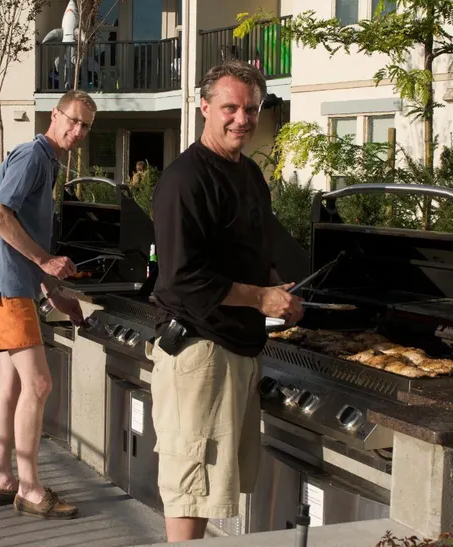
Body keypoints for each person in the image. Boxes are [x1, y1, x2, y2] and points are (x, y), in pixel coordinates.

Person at [149, 60, 304, 542]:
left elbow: (254, 253)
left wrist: (279, 290)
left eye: (251, 109)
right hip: (199, 351)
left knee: (212, 486)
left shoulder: (250, 174)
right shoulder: (185, 180)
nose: (242, 119)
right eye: (230, 108)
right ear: (204, 107)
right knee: (190, 487)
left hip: (237, 352)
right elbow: (184, 277)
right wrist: (260, 299)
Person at [0, 90, 97, 519]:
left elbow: (22, 232)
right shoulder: (32, 156)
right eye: (73, 120)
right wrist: (46, 261)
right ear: (55, 115)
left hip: (14, 285)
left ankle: (2, 479)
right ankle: (29, 488)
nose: (77, 130)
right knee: (40, 384)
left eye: (85, 126)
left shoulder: (48, 162)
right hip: (8, 288)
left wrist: (53, 292)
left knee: (10, 386)